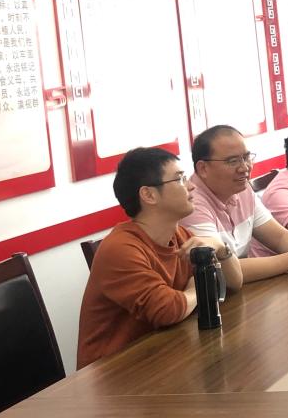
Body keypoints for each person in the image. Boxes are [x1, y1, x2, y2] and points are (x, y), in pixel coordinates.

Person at [77, 147, 244, 368]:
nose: (191, 186)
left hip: (164, 355)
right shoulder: (120, 249)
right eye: (180, 179)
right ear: (149, 195)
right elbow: (167, 310)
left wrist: (220, 248)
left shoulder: (180, 235)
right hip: (115, 373)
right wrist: (199, 287)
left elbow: (234, 283)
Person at [180, 125, 288, 282]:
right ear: (203, 168)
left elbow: (281, 238)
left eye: (246, 157)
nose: (244, 168)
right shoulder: (190, 204)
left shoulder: (241, 189)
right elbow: (220, 270)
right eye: (233, 161)